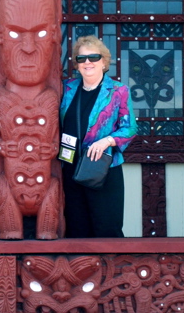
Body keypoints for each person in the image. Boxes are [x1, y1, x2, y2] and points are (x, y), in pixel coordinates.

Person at [59, 35, 137, 238]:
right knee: (77, 228)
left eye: (93, 57)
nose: (87, 63)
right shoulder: (66, 89)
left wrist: (106, 141)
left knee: (106, 227)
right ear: (76, 64)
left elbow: (129, 128)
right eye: (81, 58)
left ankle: (110, 269)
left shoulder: (118, 91)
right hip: (70, 167)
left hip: (102, 168)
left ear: (104, 61)